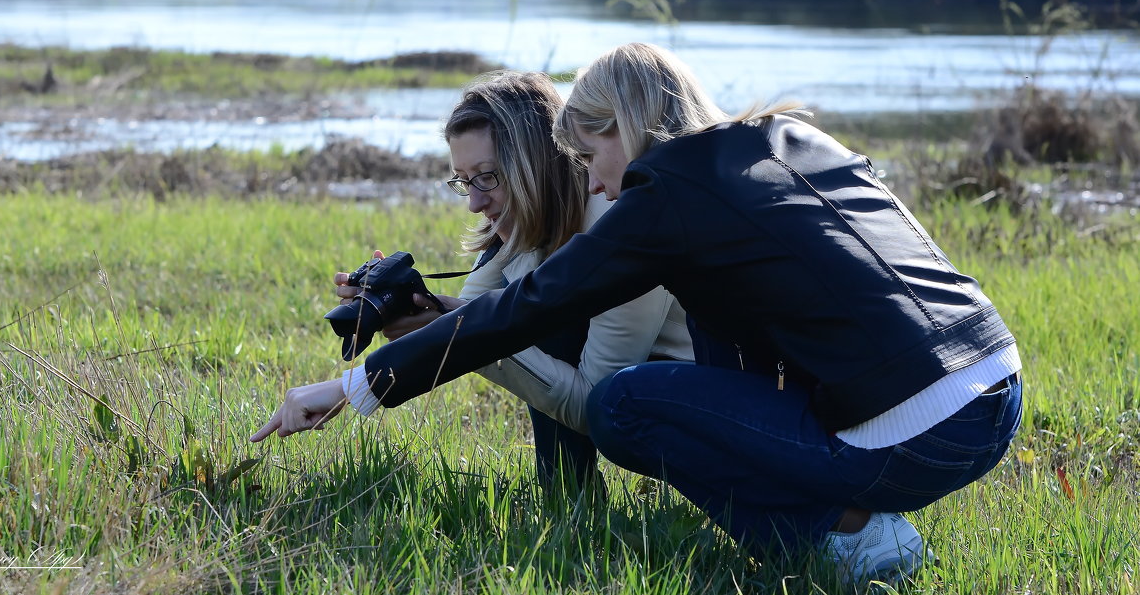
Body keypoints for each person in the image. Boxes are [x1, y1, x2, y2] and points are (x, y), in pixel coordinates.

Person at [253, 44, 1022, 585]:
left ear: (621, 126)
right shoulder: (787, 134)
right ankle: (840, 519)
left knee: (623, 406)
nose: (593, 183)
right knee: (700, 338)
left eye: (588, 159)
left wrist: (356, 386)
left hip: (914, 432)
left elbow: (533, 307)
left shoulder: (665, 195)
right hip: (996, 386)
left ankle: (847, 536)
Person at [303, 70, 692, 491]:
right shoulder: (523, 225)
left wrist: (476, 338)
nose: (474, 202)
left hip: (699, 407)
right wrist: (405, 304)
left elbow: (593, 405)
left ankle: (570, 500)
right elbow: (467, 322)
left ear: (536, 164)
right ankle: (570, 502)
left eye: (487, 177)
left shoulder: (616, 224)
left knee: (540, 325)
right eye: (464, 181)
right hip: (651, 398)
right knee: (524, 317)